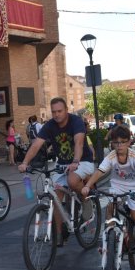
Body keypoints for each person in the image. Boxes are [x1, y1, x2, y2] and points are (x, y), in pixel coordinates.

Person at [18, 97, 95, 246]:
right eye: (53, 112)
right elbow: (36, 145)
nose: (57, 114)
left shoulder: (76, 122)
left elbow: (79, 143)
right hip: (62, 164)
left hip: (83, 161)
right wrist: (25, 162)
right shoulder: (49, 126)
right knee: (56, 199)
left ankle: (86, 200)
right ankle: (59, 234)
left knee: (72, 181)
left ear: (66, 110)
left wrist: (75, 161)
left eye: (60, 111)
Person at [81, 125, 135, 255]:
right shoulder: (111, 156)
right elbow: (99, 172)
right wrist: (87, 186)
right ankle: (109, 238)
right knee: (110, 207)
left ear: (129, 142)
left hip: (134, 187)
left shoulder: (133, 156)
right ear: (112, 143)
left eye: (123, 142)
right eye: (116, 142)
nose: (119, 145)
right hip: (117, 185)